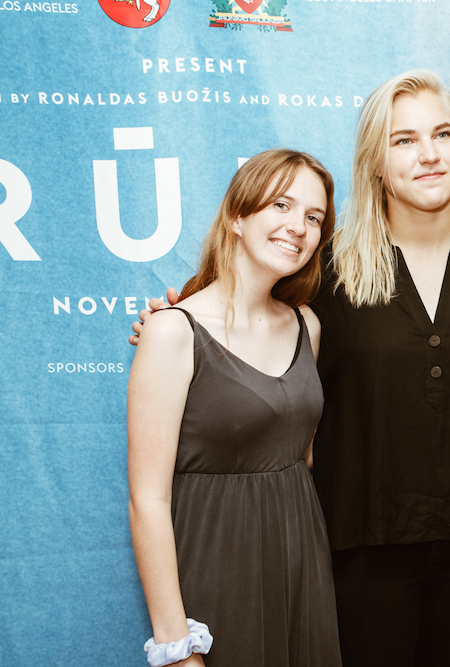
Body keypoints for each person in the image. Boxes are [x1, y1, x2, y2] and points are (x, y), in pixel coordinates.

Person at [133, 70, 450, 667]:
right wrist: (172, 319)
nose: (429, 154)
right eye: (404, 140)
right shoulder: (330, 265)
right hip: (358, 555)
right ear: (377, 162)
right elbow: (245, 314)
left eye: (442, 134)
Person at [126, 149, 340, 666]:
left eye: (313, 217)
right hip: (217, 567)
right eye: (281, 205)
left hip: (302, 566)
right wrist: (177, 647)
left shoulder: (307, 326)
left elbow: (299, 454)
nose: (299, 227)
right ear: (237, 217)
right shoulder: (172, 330)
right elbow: (147, 500)